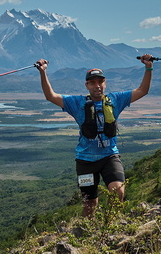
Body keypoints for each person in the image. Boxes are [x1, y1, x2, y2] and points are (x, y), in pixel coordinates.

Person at [36, 54, 154, 217]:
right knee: (89, 202)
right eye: (93, 82)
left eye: (100, 81)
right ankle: (88, 233)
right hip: (85, 161)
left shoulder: (115, 100)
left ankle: (111, 226)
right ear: (87, 85)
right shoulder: (77, 103)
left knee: (117, 191)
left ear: (105, 83)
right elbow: (51, 96)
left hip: (109, 156)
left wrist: (148, 67)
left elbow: (143, 90)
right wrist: (43, 72)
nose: (97, 85)